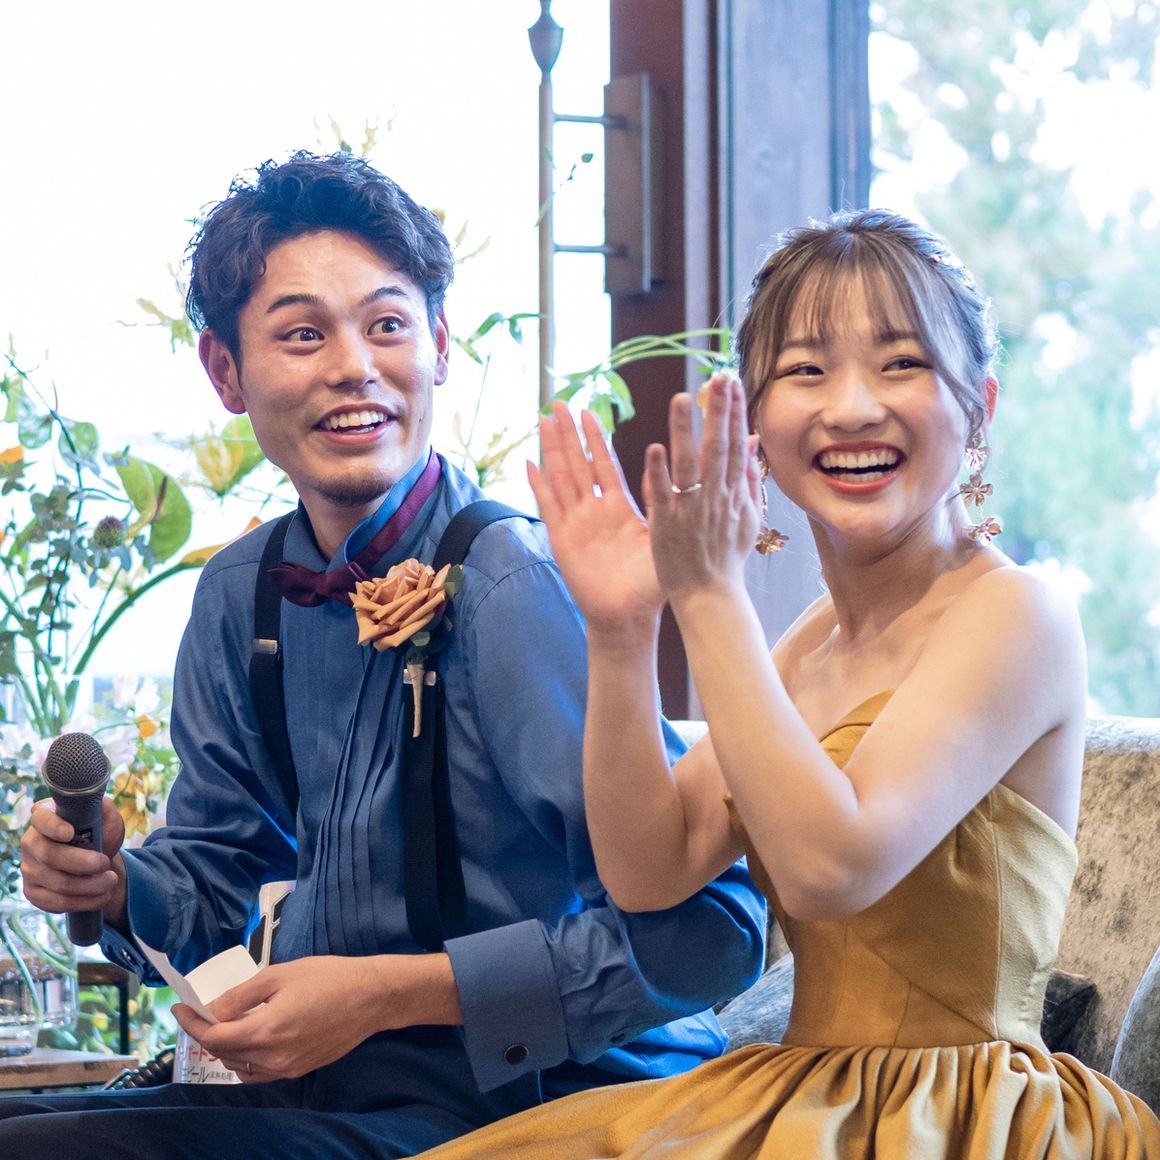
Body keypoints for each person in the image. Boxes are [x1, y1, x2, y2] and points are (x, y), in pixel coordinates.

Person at [3, 151, 765, 1159]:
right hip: (337, 1092)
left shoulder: (509, 584)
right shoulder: (241, 597)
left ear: (439, 346)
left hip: (546, 1105)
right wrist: (112, 888)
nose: (354, 366)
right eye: (303, 333)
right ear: (225, 371)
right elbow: (218, 881)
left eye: (388, 325)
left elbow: (712, 930)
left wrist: (384, 993)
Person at [410, 209, 1160, 1157]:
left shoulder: (1017, 612)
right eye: (806, 371)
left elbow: (832, 868)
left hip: (960, 1112)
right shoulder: (810, 642)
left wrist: (710, 595)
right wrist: (621, 629)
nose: (852, 407)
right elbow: (649, 871)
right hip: (806, 1093)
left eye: (901, 363)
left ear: (979, 407)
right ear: (756, 425)